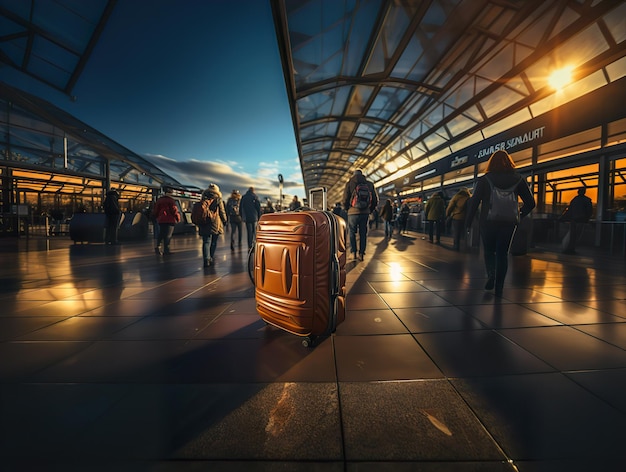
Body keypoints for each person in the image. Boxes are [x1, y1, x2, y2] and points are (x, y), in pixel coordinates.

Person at [466, 150, 535, 297]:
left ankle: (491, 274)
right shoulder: (518, 179)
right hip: (509, 222)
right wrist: (520, 215)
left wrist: (469, 222)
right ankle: (499, 287)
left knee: (489, 251)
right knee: (503, 254)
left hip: (488, 221)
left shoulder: (485, 179)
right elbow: (531, 203)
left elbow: (474, 203)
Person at [342, 169, 378, 261]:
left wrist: (347, 209)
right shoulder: (369, 184)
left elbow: (345, 198)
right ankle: (361, 254)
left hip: (352, 212)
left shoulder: (349, 183)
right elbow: (375, 199)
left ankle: (353, 253)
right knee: (363, 233)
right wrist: (370, 210)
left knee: (352, 233)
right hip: (365, 213)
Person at [198, 184, 227, 267]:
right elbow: (222, 211)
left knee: (206, 241)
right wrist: (225, 220)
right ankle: (210, 256)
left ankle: (206, 259)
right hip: (215, 222)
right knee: (213, 242)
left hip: (204, 222)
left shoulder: (203, 197)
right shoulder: (218, 199)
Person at [560, 187, 593, 254]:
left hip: (574, 220)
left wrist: (562, 218)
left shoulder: (574, 200)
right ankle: (572, 249)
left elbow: (569, 210)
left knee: (572, 235)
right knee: (577, 235)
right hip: (581, 220)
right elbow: (589, 211)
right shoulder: (587, 200)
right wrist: (587, 218)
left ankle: (569, 249)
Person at [152, 186, 181, 255]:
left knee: (161, 233)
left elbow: (156, 210)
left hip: (161, 220)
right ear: (170, 192)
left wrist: (156, 217)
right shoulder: (171, 200)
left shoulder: (159, 200)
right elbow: (174, 210)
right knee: (168, 235)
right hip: (170, 220)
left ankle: (157, 246)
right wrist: (178, 218)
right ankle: (166, 250)